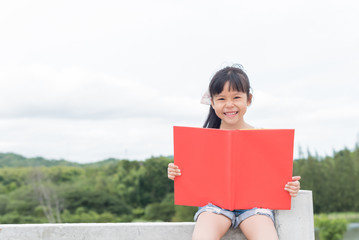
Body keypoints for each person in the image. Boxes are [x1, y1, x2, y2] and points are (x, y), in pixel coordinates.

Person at [167, 65, 301, 240]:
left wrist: (290, 186)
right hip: (214, 206)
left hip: (255, 207)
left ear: (248, 99)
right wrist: (176, 172)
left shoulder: (263, 138)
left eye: (236, 97)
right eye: (221, 98)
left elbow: (274, 178)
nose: (229, 105)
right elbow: (193, 176)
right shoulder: (203, 140)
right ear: (212, 102)